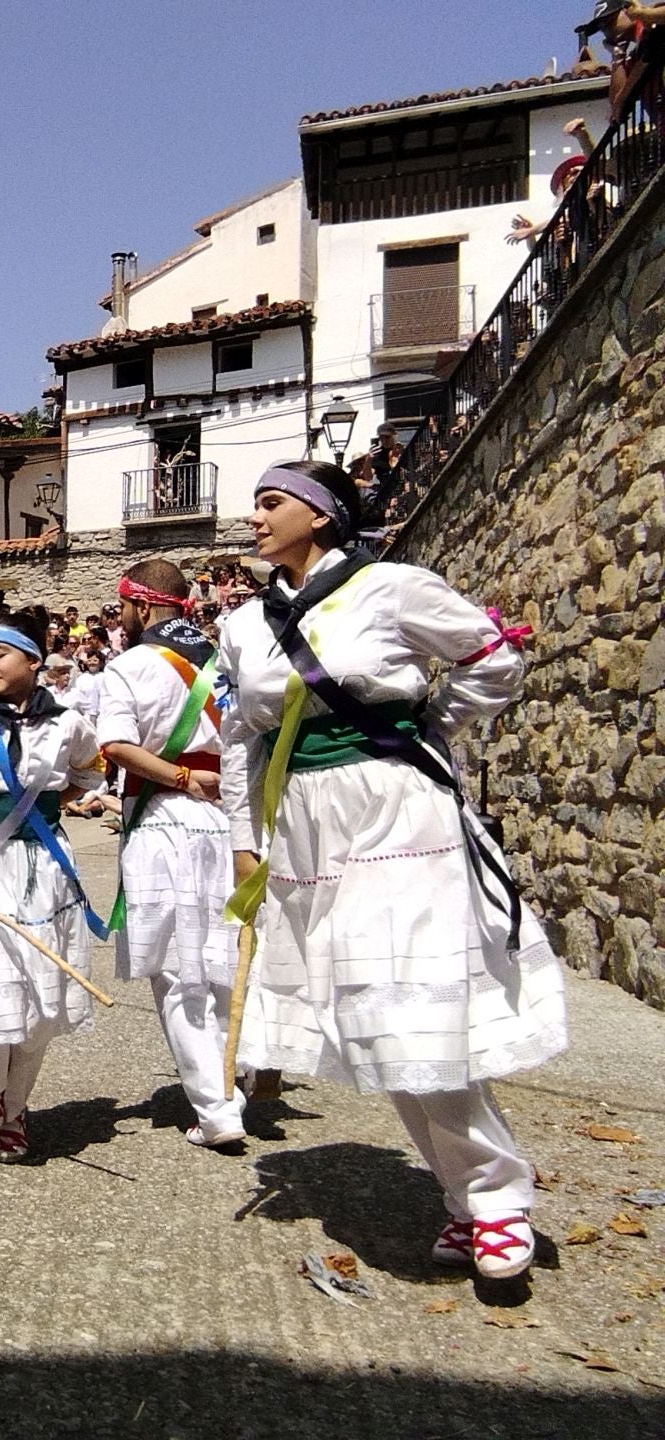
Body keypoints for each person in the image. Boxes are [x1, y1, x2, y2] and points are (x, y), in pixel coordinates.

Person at [219, 459, 568, 1280]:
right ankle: (470, 1197)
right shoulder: (243, 624)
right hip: (303, 825)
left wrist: (425, 724)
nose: (257, 519)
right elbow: (244, 741)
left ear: (323, 516)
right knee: (380, 1020)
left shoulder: (394, 587)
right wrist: (245, 837)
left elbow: (495, 659)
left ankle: (495, 1201)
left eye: (271, 503)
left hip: (394, 811)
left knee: (407, 1003)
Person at [0, 606, 108, 1162]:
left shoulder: (67, 722)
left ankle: (17, 1112)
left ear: (34, 661)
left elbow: (92, 769)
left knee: (41, 994)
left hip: (48, 869)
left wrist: (45, 808)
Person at [96, 560, 247, 1148]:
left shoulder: (130, 664)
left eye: (122, 607)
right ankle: (240, 1070)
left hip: (167, 817)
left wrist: (183, 778)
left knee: (179, 969)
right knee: (223, 953)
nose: (119, 617)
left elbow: (116, 745)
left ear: (141, 604)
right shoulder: (225, 662)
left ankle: (216, 1108)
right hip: (230, 818)